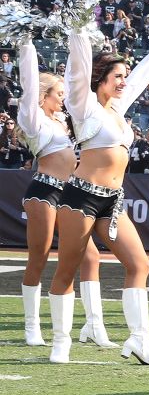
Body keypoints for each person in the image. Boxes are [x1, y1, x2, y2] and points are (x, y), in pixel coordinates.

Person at [50, 24, 149, 365]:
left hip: (112, 200)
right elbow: (78, 70)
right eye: (117, 76)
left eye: (124, 76)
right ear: (100, 77)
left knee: (139, 264)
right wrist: (79, 32)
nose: (123, 82)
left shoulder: (117, 108)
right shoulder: (83, 106)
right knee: (68, 268)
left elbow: (143, 77)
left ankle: (139, 340)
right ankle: (61, 340)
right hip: (81, 197)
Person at [15, 38, 110, 350]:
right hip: (44, 192)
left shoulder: (61, 121)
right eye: (58, 94)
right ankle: (32, 327)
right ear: (44, 97)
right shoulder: (33, 119)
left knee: (91, 256)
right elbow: (28, 87)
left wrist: (77, 43)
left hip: (68, 193)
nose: (63, 99)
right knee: (39, 258)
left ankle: (94, 324)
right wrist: (26, 45)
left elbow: (74, 78)